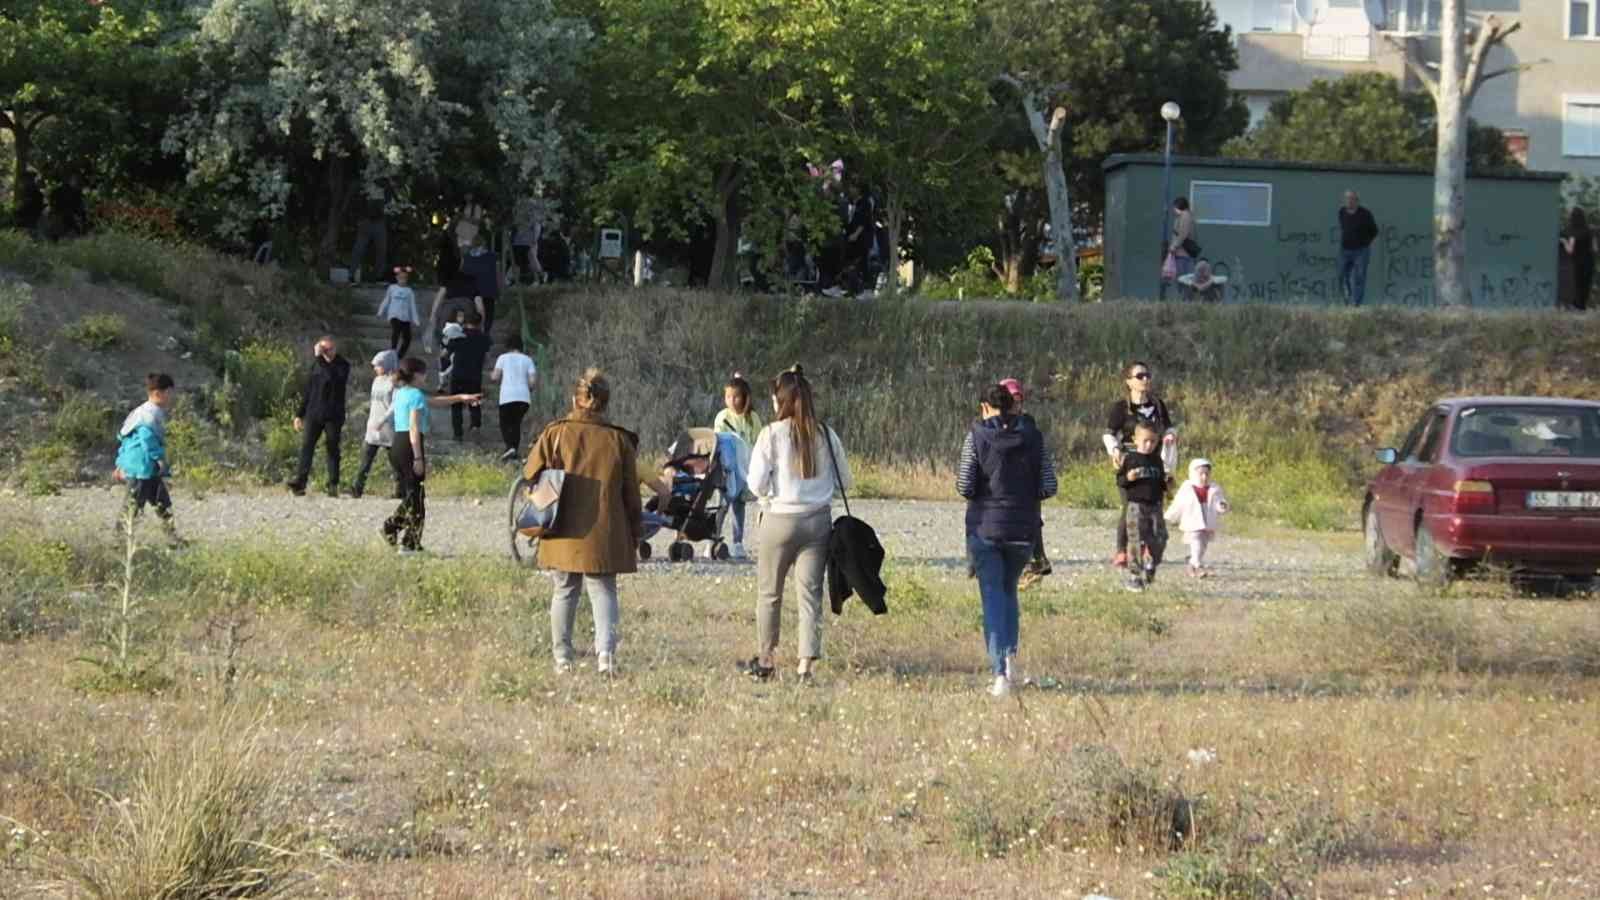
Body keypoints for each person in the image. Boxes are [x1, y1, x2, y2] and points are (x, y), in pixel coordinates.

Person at [522, 369, 642, 674]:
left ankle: (562, 659)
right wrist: (635, 530)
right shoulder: (618, 439)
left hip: (560, 525)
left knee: (564, 590)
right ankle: (606, 658)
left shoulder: (555, 432)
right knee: (603, 590)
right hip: (604, 527)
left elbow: (530, 476)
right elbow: (631, 493)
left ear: (575, 398)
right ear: (604, 401)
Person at [741, 366, 850, 683]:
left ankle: (766, 660)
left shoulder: (771, 435)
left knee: (770, 593)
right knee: (810, 596)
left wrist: (770, 493)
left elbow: (755, 484)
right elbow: (846, 479)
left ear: (780, 401)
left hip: (779, 519)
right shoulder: (826, 434)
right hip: (817, 521)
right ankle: (805, 667)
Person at [957, 383, 1057, 697]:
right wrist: (1023, 496)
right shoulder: (1034, 437)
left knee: (992, 598)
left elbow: (964, 485)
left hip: (986, 527)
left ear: (986, 407)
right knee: (1009, 592)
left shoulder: (975, 436)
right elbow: (1049, 486)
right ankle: (1011, 660)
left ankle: (999, 672)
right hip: (1022, 529)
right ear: (1012, 406)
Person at [382, 358, 482, 554]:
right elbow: (414, 427)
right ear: (416, 374)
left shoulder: (404, 393)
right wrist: (418, 458)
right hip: (410, 446)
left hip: (397, 445)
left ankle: (394, 530)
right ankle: (407, 541)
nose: (426, 376)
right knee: (417, 497)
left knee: (414, 496)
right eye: (424, 372)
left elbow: (434, 401)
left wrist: (461, 398)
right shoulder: (415, 395)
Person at [1102, 361, 1176, 569]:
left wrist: (1170, 437)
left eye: (1148, 375)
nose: (1145, 379)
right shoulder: (1121, 407)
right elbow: (1109, 433)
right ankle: (1121, 550)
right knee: (1130, 505)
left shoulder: (1158, 405)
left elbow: (1170, 428)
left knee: (1153, 505)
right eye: (1140, 376)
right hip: (1131, 460)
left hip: (1154, 461)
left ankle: (1146, 547)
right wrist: (1115, 450)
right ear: (1129, 382)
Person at [114, 373, 183, 545]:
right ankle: (119, 543)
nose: (170, 397)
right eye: (169, 393)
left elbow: (124, 438)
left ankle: (173, 538)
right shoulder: (149, 415)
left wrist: (120, 462)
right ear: (159, 393)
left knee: (163, 502)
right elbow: (146, 438)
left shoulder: (140, 412)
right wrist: (159, 458)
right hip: (141, 468)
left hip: (148, 469)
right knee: (133, 506)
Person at [1000, 378, 1053, 592]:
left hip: (1028, 481)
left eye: (1018, 399)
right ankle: (1030, 565)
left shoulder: (1026, 423)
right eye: (1011, 399)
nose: (1015, 404)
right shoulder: (997, 421)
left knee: (1030, 522)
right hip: (1007, 483)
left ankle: (1035, 564)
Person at [288, 337, 351, 497]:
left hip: (333, 415)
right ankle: (300, 482)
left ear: (335, 348)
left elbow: (332, 377)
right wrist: (299, 414)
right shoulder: (316, 364)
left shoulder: (342, 365)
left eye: (329, 349)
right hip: (314, 413)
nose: (327, 353)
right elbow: (309, 390)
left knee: (332, 448)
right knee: (307, 446)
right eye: (324, 350)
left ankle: (333, 484)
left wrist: (319, 357)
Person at [712, 373, 763, 559]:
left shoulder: (753, 418)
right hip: (727, 469)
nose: (731, 401)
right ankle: (714, 538)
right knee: (722, 504)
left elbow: (758, 443)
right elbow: (718, 442)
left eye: (736, 396)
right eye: (728, 397)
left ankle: (738, 542)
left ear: (745, 397)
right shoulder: (722, 417)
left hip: (745, 469)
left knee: (739, 506)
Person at [1117, 421, 1168, 592]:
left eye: (1153, 441)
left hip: (1155, 505)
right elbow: (1120, 481)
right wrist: (1129, 478)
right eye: (1145, 440)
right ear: (1136, 440)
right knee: (1135, 540)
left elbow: (1161, 484)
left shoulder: (1157, 460)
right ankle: (1135, 576)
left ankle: (1151, 563)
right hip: (1136, 506)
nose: (1149, 445)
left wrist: (1168, 484)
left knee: (1160, 537)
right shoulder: (1130, 459)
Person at [1164, 457, 1230, 578]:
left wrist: (1222, 505)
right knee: (1196, 540)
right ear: (1193, 473)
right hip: (1192, 519)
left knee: (1203, 543)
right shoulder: (1187, 487)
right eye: (1201, 474)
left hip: (1207, 518)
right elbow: (1178, 504)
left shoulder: (1214, 488)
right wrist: (1169, 516)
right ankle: (1197, 564)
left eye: (1207, 474)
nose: (1204, 477)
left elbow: (1219, 501)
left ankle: (1192, 564)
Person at [351, 350, 399, 500]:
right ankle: (357, 488)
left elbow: (394, 405)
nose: (375, 368)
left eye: (378, 365)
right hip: (373, 425)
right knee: (366, 459)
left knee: (395, 461)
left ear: (387, 364)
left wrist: (383, 420)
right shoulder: (376, 381)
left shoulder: (395, 382)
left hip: (388, 427)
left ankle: (401, 489)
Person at [444, 313, 491, 441]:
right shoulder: (484, 338)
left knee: (456, 404)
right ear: (480, 323)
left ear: (465, 322)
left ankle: (457, 433)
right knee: (474, 402)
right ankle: (475, 425)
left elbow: (446, 353)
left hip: (458, 374)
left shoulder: (458, 335)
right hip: (475, 375)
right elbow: (487, 356)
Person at [490, 335, 538, 461]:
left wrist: (493, 376)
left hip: (507, 396)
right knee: (516, 423)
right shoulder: (528, 360)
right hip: (523, 398)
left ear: (507, 346)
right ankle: (514, 451)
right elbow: (532, 382)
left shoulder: (503, 358)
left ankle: (509, 447)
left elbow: (495, 377)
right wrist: (528, 389)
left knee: (505, 423)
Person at [1338, 190, 1379, 306]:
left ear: (1357, 201)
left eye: (1352, 199)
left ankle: (1356, 303)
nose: (1349, 201)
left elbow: (1374, 231)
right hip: (1345, 250)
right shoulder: (1341, 212)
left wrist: (1366, 243)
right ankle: (1346, 299)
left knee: (1359, 277)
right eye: (1347, 199)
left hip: (1361, 251)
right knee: (1341, 275)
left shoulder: (1365, 214)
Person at [376, 266, 421, 358]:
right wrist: (380, 312)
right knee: (396, 331)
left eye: (404, 278)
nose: (402, 280)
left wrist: (416, 320)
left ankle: (399, 356)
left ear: (407, 279)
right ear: (397, 278)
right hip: (394, 315)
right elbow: (386, 300)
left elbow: (412, 306)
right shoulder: (392, 288)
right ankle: (393, 350)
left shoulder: (409, 291)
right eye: (400, 278)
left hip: (405, 317)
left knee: (407, 338)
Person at [349, 186, 388, 284]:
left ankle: (378, 276)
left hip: (378, 221)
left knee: (381, 249)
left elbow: (387, 200)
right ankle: (351, 275)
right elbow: (357, 200)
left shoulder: (384, 183)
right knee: (359, 248)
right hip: (366, 221)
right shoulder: (366, 183)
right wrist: (359, 218)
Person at [1561, 207, 1595, 312]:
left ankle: (1577, 308)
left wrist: (1563, 241)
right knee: (1585, 285)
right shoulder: (1589, 230)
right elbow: (1595, 248)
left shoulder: (1572, 231)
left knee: (1577, 285)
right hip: (1589, 262)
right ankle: (1582, 308)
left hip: (1578, 263)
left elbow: (1570, 250)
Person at [512, 194, 546, 284]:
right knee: (518, 262)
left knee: (532, 261)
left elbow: (537, 228)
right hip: (520, 242)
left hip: (528, 242)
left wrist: (534, 240)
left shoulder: (534, 216)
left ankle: (540, 277)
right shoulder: (521, 215)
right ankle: (516, 280)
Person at [1168, 197, 1196, 289]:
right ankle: (1185, 299)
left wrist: (1174, 246)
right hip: (1184, 253)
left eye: (1174, 207)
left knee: (1183, 278)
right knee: (1184, 278)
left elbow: (1183, 234)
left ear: (1179, 206)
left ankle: (1184, 299)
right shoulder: (1186, 216)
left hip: (1183, 253)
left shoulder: (1185, 216)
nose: (1173, 209)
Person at [14, 170, 44, 235]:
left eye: (28, 179)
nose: (25, 182)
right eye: (25, 180)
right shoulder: (24, 193)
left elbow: (37, 209)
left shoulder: (37, 194)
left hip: (32, 223)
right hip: (23, 222)